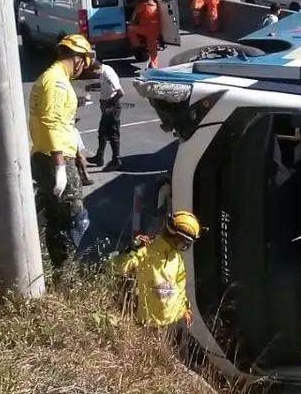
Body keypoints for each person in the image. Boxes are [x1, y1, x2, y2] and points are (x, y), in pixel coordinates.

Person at [29, 33, 95, 272]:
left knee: (57, 219)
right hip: (55, 157)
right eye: (84, 63)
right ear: (79, 59)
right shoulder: (56, 81)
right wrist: (60, 165)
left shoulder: (52, 78)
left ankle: (59, 270)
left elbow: (64, 123)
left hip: (51, 154)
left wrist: (78, 152)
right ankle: (67, 274)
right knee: (74, 219)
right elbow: (52, 121)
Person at [111, 211, 203, 359]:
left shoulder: (177, 257)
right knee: (149, 360)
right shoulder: (145, 251)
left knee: (173, 360)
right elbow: (116, 268)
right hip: (148, 324)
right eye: (186, 241)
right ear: (176, 237)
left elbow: (180, 285)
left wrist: (185, 308)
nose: (185, 245)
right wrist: (132, 249)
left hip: (174, 322)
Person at [85, 60, 124, 171]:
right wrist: (92, 86)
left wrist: (109, 104)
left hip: (112, 107)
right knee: (102, 133)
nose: (94, 75)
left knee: (113, 134)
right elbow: (103, 84)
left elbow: (121, 92)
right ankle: (99, 157)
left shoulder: (108, 75)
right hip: (106, 106)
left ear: (97, 68)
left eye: (94, 72)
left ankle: (116, 160)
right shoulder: (103, 71)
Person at [127, 0, 161, 69]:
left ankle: (137, 45)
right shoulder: (157, 5)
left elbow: (135, 14)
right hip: (156, 29)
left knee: (130, 29)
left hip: (145, 28)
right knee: (153, 50)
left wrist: (131, 22)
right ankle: (154, 66)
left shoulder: (143, 5)